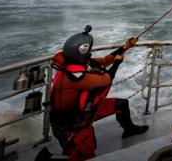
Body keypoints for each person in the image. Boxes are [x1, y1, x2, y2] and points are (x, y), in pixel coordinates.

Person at [49, 25, 148, 161]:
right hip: (73, 124)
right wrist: (117, 63)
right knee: (86, 156)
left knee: (121, 104)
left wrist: (125, 47)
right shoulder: (76, 76)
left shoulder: (73, 62)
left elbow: (107, 60)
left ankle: (129, 130)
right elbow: (106, 79)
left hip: (82, 110)